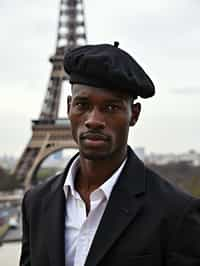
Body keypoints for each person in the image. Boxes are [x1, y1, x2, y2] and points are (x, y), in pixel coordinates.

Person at [20, 42, 200, 266]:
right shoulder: (35, 203)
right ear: (69, 107)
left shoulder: (176, 213)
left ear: (134, 114)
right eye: (82, 104)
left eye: (111, 108)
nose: (93, 120)